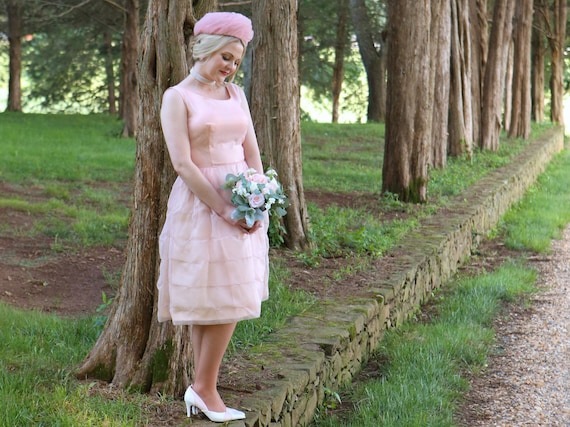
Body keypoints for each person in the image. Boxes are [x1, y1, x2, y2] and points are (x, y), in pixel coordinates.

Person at [156, 12, 269, 423]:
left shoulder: (235, 95)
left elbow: (251, 150)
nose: (230, 66)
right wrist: (223, 208)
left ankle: (202, 387)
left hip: (243, 200)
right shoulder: (177, 97)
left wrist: (257, 201)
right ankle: (204, 389)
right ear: (204, 48)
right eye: (225, 56)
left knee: (231, 297)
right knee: (214, 298)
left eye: (236, 60)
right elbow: (183, 164)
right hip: (202, 204)